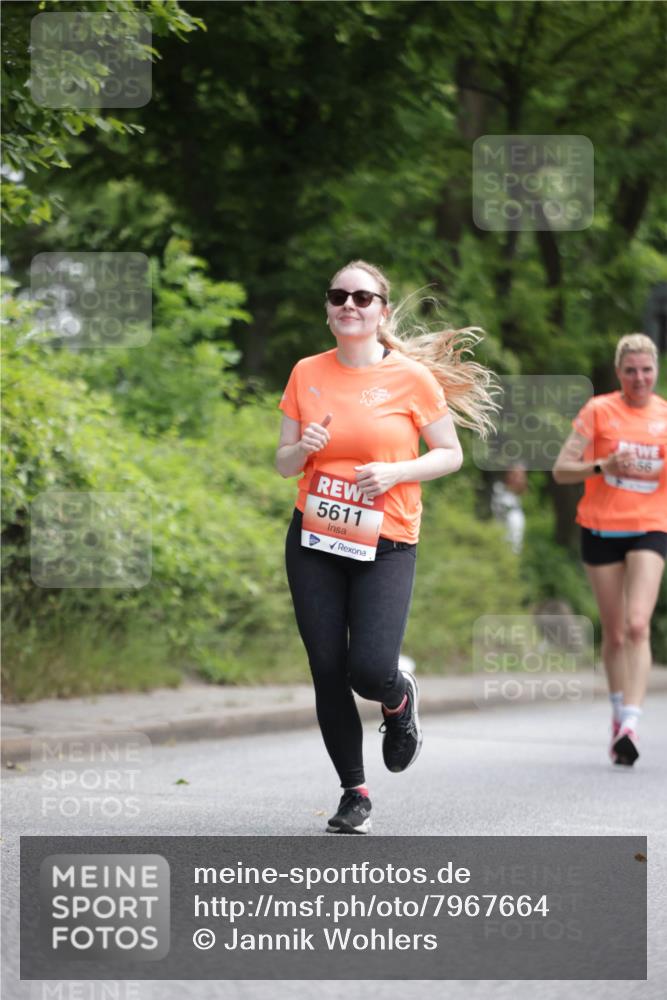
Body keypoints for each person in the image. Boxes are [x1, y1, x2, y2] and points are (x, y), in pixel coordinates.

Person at [276, 259, 497, 833]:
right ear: (328, 311)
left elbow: (449, 453)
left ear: (381, 312)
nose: (350, 304)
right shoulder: (306, 372)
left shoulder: (410, 379)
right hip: (315, 535)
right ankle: (354, 793)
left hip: (388, 540)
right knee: (327, 669)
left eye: (363, 297)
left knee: (369, 669)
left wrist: (396, 472)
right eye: (338, 296)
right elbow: (282, 464)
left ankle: (398, 702)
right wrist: (304, 447)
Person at [553, 333, 667, 767]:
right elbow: (563, 471)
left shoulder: (664, 417)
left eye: (647, 370)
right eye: (631, 370)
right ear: (619, 373)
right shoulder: (599, 410)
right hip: (601, 528)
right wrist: (602, 465)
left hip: (651, 527)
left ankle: (632, 724)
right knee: (616, 632)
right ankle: (618, 713)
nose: (639, 378)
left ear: (656, 371)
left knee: (639, 625)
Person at [490, 463, 528, 554]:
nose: (520, 479)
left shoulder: (517, 495)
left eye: (522, 476)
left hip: (515, 536)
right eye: (517, 475)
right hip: (501, 535)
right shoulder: (499, 489)